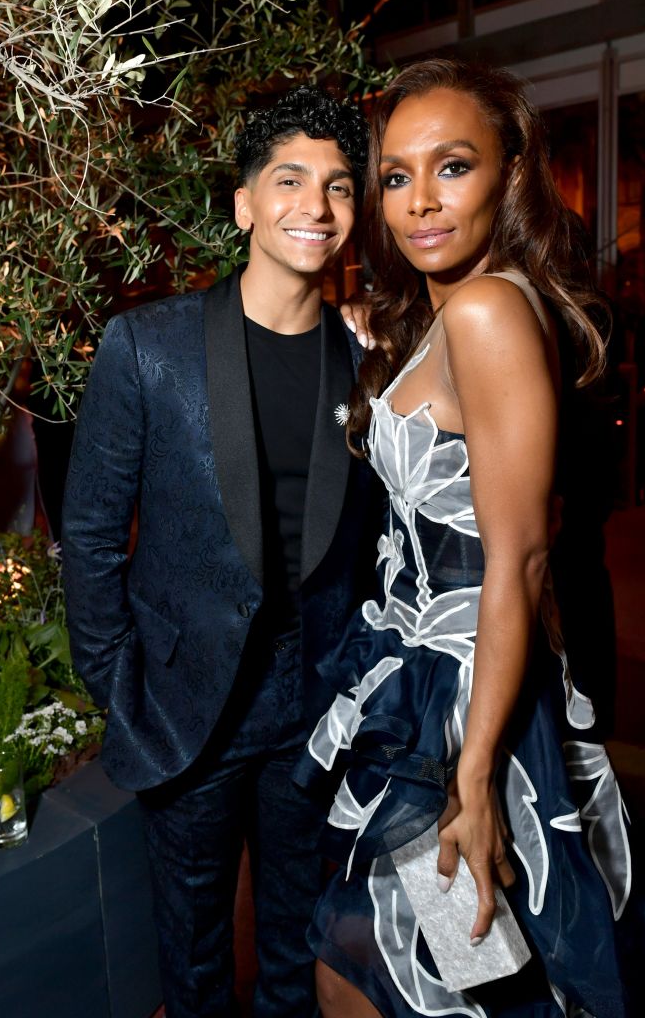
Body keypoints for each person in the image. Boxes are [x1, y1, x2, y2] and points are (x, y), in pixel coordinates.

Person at [294, 60, 645, 1017]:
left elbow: (522, 558)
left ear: (509, 174)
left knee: (424, 974)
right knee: (383, 967)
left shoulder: (484, 309)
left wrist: (472, 777)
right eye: (394, 176)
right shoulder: (447, 310)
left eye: (451, 167)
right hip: (423, 685)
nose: (418, 200)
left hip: (462, 709)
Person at [61, 86, 379, 1018]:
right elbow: (87, 535)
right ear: (243, 203)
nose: (315, 207)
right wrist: (117, 684)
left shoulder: (370, 362)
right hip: (183, 705)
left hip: (313, 709)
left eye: (338, 187)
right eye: (289, 180)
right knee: (194, 963)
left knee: (297, 944)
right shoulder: (145, 348)